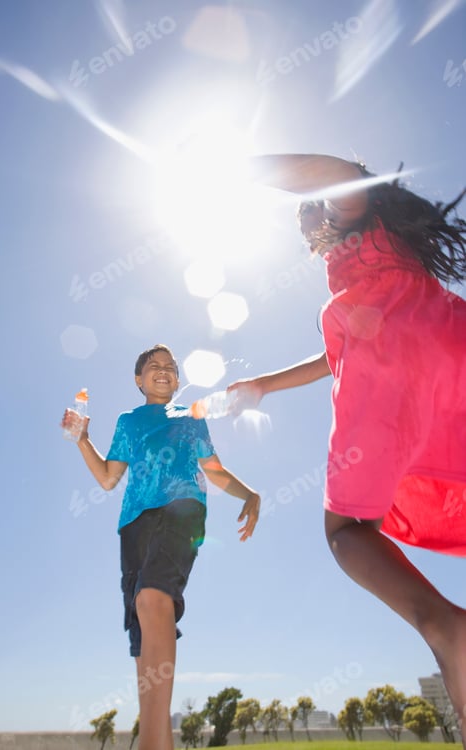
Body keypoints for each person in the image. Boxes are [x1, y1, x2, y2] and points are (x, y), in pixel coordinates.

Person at [228, 154, 466, 744]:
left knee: (348, 531)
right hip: (451, 351)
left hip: (389, 370)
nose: (304, 234)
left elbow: (343, 173)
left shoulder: (359, 221)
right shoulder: (380, 266)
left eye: (305, 220)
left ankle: (444, 625)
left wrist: (238, 165)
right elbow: (328, 359)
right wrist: (262, 385)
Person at [61, 344, 260, 750]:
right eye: (154, 367)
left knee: (153, 598)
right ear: (139, 380)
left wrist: (249, 494)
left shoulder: (191, 417)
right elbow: (107, 478)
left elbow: (214, 469)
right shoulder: (127, 422)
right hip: (134, 525)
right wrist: (83, 439)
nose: (164, 371)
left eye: (171, 367)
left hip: (183, 509)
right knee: (141, 643)